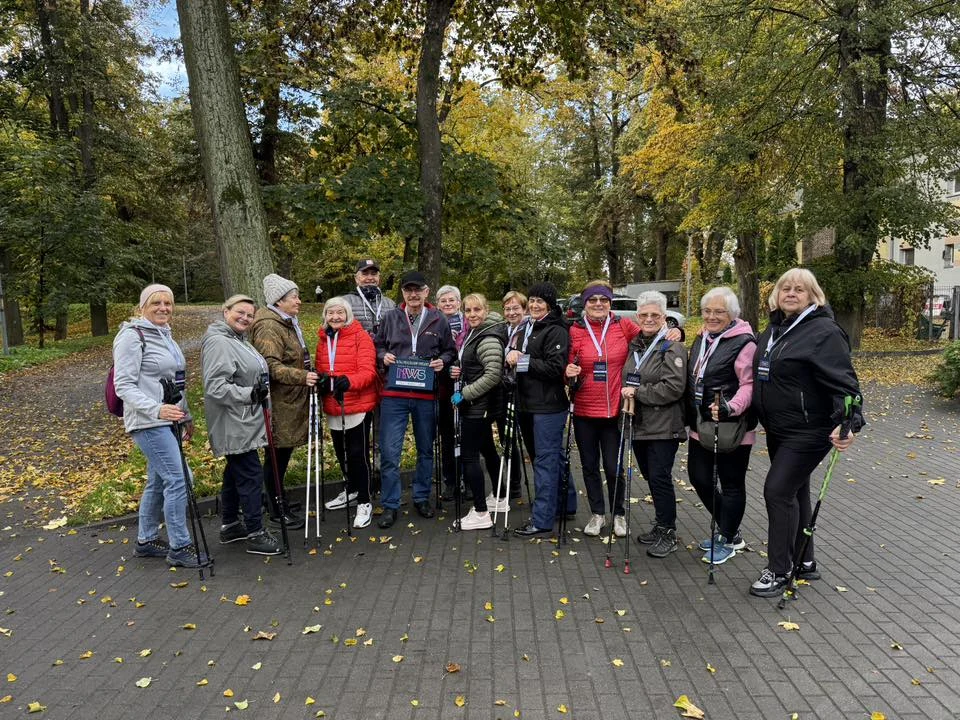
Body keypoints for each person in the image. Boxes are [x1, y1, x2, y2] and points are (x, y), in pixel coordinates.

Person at [749, 268, 864, 597]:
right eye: (785, 288)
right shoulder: (773, 329)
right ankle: (805, 561)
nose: (791, 293)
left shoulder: (823, 331)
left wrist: (850, 422)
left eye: (800, 289)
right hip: (778, 428)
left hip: (809, 430)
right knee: (796, 492)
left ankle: (779, 569)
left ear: (813, 296)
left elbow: (846, 383)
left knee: (777, 491)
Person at [112, 284, 207, 568]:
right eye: (156, 303)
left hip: (169, 419)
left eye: (168, 303)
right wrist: (156, 409)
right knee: (180, 479)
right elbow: (123, 385)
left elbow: (176, 383)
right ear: (143, 307)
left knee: (158, 480)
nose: (163, 307)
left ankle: (146, 540)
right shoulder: (132, 336)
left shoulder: (167, 337)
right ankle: (179, 546)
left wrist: (185, 414)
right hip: (147, 421)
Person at [200, 295, 282, 556]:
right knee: (250, 474)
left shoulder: (238, 340)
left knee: (235, 473)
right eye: (240, 312)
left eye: (250, 314)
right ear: (225, 312)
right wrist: (250, 394)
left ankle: (231, 525)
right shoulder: (219, 342)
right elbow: (215, 387)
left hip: (244, 421)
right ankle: (256, 532)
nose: (245, 318)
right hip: (233, 421)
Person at [374, 270, 456, 529]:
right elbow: (377, 345)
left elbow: (450, 350)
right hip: (394, 395)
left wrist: (442, 361)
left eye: (417, 290)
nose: (413, 294)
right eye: (408, 290)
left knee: (425, 449)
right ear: (403, 293)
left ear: (426, 292)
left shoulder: (438, 319)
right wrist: (382, 356)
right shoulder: (390, 317)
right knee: (389, 451)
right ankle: (390, 504)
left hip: (424, 394)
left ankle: (421, 497)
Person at [686, 287, 757, 565]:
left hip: (732, 427)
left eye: (719, 312)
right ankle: (729, 526)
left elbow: (749, 384)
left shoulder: (744, 342)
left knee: (731, 484)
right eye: (707, 311)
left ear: (732, 314)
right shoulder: (701, 338)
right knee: (699, 478)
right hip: (701, 424)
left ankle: (728, 537)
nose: (712, 316)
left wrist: (730, 407)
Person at [565, 281, 641, 539]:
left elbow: (650, 338)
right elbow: (564, 364)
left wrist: (677, 334)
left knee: (613, 466)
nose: (598, 304)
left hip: (614, 411)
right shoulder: (574, 330)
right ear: (584, 304)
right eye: (592, 300)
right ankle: (598, 513)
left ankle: (618, 513)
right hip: (585, 410)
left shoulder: (624, 326)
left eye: (603, 300)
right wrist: (567, 372)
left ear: (610, 303)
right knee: (588, 465)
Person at [621, 291, 687, 559]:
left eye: (655, 315)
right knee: (651, 476)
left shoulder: (672, 346)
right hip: (639, 424)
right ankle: (660, 524)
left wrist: (638, 393)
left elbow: (674, 388)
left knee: (660, 477)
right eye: (644, 315)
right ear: (638, 316)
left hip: (663, 425)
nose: (649, 319)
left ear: (664, 317)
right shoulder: (636, 344)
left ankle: (668, 531)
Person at [249, 274, 317, 531]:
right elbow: (270, 366)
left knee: (282, 453)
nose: (299, 301)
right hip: (279, 403)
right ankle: (276, 508)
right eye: (294, 297)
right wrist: (303, 376)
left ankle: (277, 498)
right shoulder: (269, 326)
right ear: (279, 301)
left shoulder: (286, 322)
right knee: (276, 454)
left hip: (290, 400)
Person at [505, 281, 573, 537]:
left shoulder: (556, 330)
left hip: (548, 405)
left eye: (539, 302)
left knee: (545, 460)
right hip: (527, 403)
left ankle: (542, 519)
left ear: (549, 305)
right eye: (532, 300)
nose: (534, 305)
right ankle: (566, 504)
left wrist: (523, 359)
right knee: (550, 458)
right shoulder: (528, 326)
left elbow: (556, 368)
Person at [316, 297, 380, 528]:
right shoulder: (323, 339)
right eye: (330, 313)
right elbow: (321, 367)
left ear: (347, 314)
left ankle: (364, 500)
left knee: (357, 454)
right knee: (341, 452)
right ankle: (351, 489)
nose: (335, 317)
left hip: (357, 405)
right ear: (325, 315)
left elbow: (368, 372)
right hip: (334, 405)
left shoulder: (360, 336)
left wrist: (349, 382)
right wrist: (321, 381)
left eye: (339, 313)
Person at [450, 293, 506, 530]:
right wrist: (460, 372)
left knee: (469, 456)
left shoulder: (488, 337)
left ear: (486, 310)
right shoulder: (477, 332)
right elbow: (476, 366)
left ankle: (481, 512)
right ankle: (500, 498)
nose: (472, 314)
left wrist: (466, 393)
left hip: (477, 407)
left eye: (477, 310)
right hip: (480, 406)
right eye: (468, 310)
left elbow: (493, 374)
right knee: (488, 450)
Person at [436, 284, 467, 501]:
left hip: (466, 387)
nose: (448, 304)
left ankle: (469, 479)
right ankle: (451, 481)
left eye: (451, 300)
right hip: (442, 388)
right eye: (443, 301)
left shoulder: (470, 322)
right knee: (447, 436)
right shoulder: (434, 323)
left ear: (459, 302)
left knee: (467, 435)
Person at [497, 290, 528, 500]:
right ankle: (514, 482)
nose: (511, 312)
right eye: (507, 309)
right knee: (507, 439)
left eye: (516, 308)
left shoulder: (529, 329)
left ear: (524, 309)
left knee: (526, 437)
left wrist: (520, 356)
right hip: (504, 389)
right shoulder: (502, 329)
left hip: (525, 390)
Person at [347, 259, 397, 337]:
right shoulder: (345, 302)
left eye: (374, 274)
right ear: (356, 278)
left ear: (379, 277)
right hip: (356, 348)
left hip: (384, 348)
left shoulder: (391, 304)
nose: (370, 278)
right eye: (365, 274)